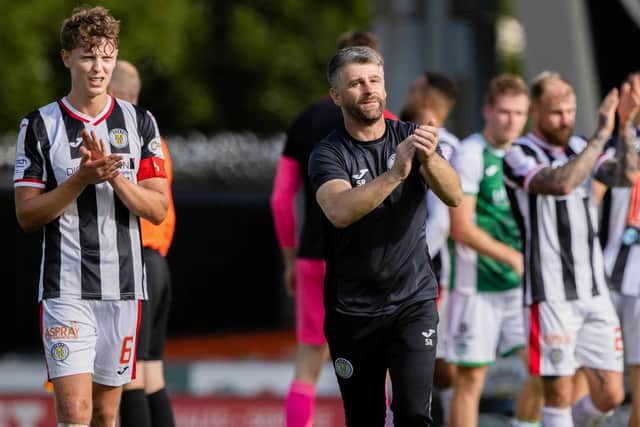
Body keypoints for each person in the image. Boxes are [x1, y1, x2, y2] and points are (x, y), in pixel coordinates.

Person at [13, 6, 169, 427]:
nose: (98, 67)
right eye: (87, 56)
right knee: (75, 411)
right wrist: (80, 179)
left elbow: (157, 209)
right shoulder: (39, 125)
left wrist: (114, 178)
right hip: (65, 290)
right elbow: (26, 215)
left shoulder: (140, 122)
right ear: (66, 58)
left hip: (122, 289)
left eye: (106, 55)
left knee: (105, 412)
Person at [308, 46, 462, 426]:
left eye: (374, 80)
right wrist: (396, 172)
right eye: (356, 83)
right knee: (365, 418)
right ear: (336, 95)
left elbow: (454, 194)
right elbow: (340, 211)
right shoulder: (328, 153)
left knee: (412, 414)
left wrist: (428, 160)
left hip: (413, 300)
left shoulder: (411, 136)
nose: (368, 89)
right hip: (352, 311)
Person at [270, 30, 397, 427]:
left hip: (314, 255)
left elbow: (280, 200)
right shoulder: (390, 125)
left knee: (309, 361)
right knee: (388, 363)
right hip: (372, 262)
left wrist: (291, 258)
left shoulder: (306, 118)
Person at [503, 71, 639, 427]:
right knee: (558, 394)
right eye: (556, 112)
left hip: (594, 290)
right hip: (550, 293)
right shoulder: (518, 153)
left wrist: (624, 125)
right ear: (534, 109)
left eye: (570, 110)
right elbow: (561, 183)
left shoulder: (581, 145)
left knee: (611, 395)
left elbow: (624, 176)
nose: (565, 120)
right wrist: (602, 133)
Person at [446, 74, 542, 427]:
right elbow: (461, 226)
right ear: (487, 110)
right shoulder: (470, 154)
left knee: (545, 369)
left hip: (522, 287)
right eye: (504, 112)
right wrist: (511, 256)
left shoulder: (527, 154)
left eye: (519, 113)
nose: (511, 120)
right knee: (470, 382)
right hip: (477, 285)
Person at [108, 60, 176, 427]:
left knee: (130, 372)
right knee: (151, 372)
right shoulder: (157, 140)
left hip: (135, 262)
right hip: (159, 263)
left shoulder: (127, 135)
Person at [400, 70, 460, 426]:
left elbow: (441, 219)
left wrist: (408, 260)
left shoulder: (445, 147)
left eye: (411, 89)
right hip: (410, 270)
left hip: (427, 273)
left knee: (433, 362)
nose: (405, 97)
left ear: (424, 98)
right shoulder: (400, 139)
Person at [599, 71, 640, 427]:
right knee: (596, 382)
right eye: (630, 90)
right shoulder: (611, 147)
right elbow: (587, 200)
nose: (635, 97)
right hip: (605, 273)